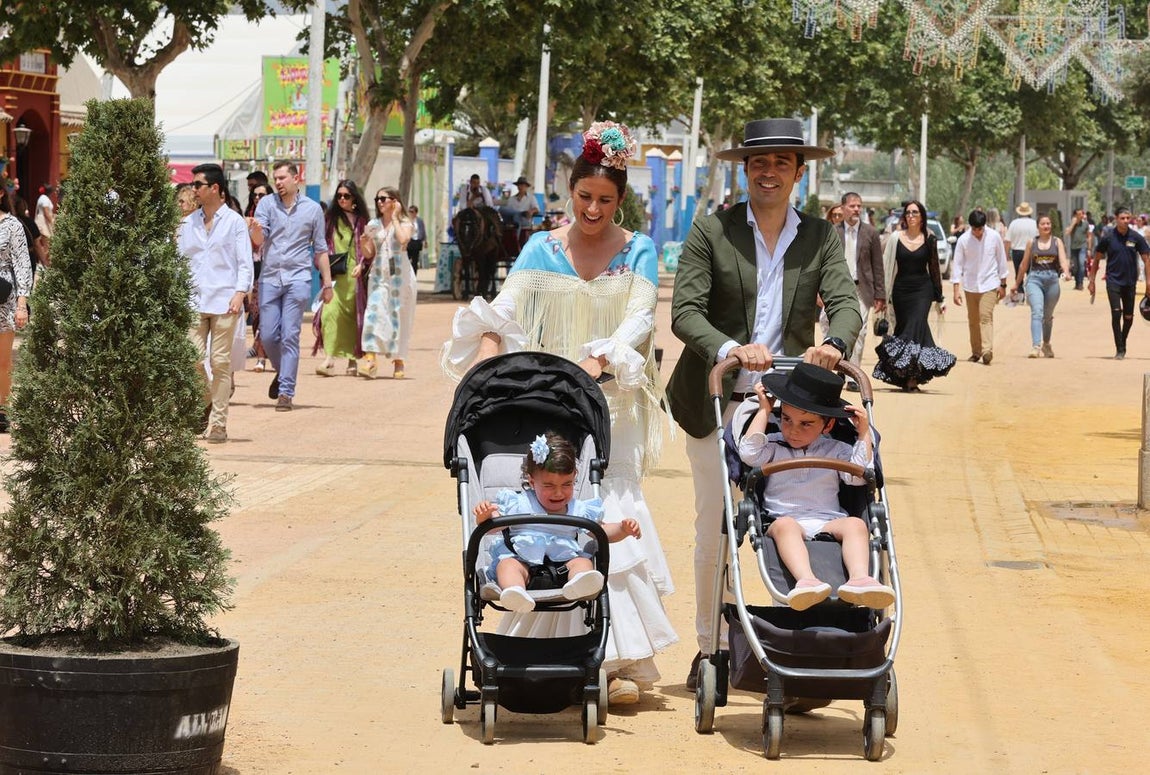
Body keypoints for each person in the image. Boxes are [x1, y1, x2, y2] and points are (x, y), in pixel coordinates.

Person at [443, 120, 677, 706]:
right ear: (569, 192)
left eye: (605, 199)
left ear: (621, 200)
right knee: (550, 512)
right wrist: (491, 340)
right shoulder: (541, 246)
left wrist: (604, 358)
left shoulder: (638, 250)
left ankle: (618, 661)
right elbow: (508, 301)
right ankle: (553, 655)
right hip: (556, 402)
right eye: (584, 197)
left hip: (614, 402)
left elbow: (641, 319)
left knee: (606, 505)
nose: (593, 208)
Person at [665, 117, 860, 690]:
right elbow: (685, 312)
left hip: (792, 405)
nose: (768, 171)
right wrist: (731, 348)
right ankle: (713, 648)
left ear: (799, 171)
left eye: (781, 162)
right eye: (758, 162)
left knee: (799, 518)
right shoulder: (711, 230)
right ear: (744, 169)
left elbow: (846, 303)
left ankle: (807, 639)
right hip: (716, 396)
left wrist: (833, 343)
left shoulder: (821, 236)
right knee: (718, 524)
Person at [737, 364, 893, 610]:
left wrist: (863, 431)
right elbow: (748, 454)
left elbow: (858, 476)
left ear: (828, 426)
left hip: (828, 519)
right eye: (786, 419)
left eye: (806, 424)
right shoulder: (774, 447)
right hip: (784, 518)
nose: (792, 430)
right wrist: (765, 410)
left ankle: (860, 578)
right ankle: (807, 580)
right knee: (786, 527)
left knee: (856, 524)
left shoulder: (837, 450)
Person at [473, 432, 642, 612]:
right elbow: (492, 527)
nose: (559, 493)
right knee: (507, 565)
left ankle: (580, 582)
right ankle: (515, 593)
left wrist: (622, 529)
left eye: (567, 485)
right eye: (549, 486)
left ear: (575, 478)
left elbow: (601, 531)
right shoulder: (519, 503)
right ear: (531, 481)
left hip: (563, 569)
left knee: (583, 563)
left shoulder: (578, 509)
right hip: (523, 564)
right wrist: (484, 517)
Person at [176, 163, 254, 443]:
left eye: (198, 185)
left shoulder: (234, 222)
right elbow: (178, 263)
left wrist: (240, 293)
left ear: (215, 189)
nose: (193, 190)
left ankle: (218, 423)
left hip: (225, 302)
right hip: (193, 301)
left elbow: (245, 262)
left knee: (220, 363)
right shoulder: (186, 224)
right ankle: (208, 398)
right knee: (192, 359)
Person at [248, 161, 334, 411]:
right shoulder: (266, 204)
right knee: (268, 335)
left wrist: (327, 283)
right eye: (276, 178)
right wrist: (254, 230)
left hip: (298, 278)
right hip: (270, 278)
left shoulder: (312, 209)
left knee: (289, 335)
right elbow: (259, 240)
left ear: (296, 179)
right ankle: (281, 370)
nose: (278, 182)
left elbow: (320, 249)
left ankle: (286, 391)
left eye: (283, 177)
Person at [873, 199, 955, 391]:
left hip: (922, 291)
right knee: (903, 330)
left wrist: (939, 296)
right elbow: (886, 266)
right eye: (908, 213)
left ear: (922, 217)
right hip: (901, 291)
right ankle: (904, 373)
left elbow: (934, 268)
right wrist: (883, 295)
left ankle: (912, 377)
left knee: (915, 326)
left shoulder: (930, 238)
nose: (911, 216)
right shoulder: (895, 238)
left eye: (915, 213)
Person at [314, 180, 375, 377]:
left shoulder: (363, 221)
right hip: (334, 275)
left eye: (346, 196)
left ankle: (352, 359)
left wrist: (362, 264)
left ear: (354, 198)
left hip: (356, 277)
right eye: (339, 195)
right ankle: (329, 359)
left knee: (353, 318)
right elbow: (321, 246)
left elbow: (369, 248)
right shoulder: (329, 220)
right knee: (329, 314)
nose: (342, 199)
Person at [361, 186, 414, 379]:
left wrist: (394, 218)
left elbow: (403, 240)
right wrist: (364, 243)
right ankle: (370, 359)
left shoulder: (405, 222)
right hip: (378, 275)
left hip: (401, 277)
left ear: (395, 201)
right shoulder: (373, 223)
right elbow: (369, 253)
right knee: (373, 313)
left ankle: (398, 360)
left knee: (398, 317)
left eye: (384, 199)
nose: (379, 202)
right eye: (377, 199)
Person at [1089, 206, 1150, 359]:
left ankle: (1123, 340)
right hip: (1113, 281)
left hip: (1130, 282)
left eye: (1127, 218)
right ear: (1116, 218)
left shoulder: (1136, 237)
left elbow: (1146, 259)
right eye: (1122, 218)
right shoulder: (1108, 238)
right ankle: (1120, 348)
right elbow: (1096, 259)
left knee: (1128, 317)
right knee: (1116, 313)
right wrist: (1092, 281)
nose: (1125, 221)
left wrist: (1149, 282)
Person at [836, 191, 886, 375]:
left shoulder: (871, 233)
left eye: (859, 206)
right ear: (842, 208)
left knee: (860, 332)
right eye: (852, 206)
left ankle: (852, 374)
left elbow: (878, 265)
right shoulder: (833, 231)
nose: (856, 209)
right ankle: (841, 365)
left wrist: (880, 294)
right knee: (836, 330)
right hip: (837, 289)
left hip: (862, 290)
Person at [952, 209, 1010, 365]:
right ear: (971, 227)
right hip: (970, 285)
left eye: (980, 229)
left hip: (990, 284)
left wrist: (1003, 284)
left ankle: (986, 351)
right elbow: (957, 265)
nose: (978, 232)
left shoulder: (994, 237)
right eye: (975, 229)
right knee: (973, 320)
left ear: (984, 226)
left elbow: (1001, 261)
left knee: (985, 317)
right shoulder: (963, 240)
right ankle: (976, 351)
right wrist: (956, 290)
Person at [1012, 213, 1070, 359]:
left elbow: (1063, 260)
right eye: (1043, 224)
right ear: (1037, 227)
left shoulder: (1057, 242)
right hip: (1034, 280)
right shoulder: (1031, 243)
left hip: (1052, 280)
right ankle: (1036, 346)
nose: (1046, 226)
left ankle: (1046, 343)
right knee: (1037, 312)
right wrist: (1017, 284)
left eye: (1048, 223)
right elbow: (1024, 265)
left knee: (1048, 316)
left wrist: (1067, 272)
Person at [0, 188, 33, 433]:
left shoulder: (12, 225)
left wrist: (22, 305)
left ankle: (2, 410)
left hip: (4, 299)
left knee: (2, 361)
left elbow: (22, 265)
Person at [247, 183, 272, 373]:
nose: (257, 198)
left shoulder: (274, 215)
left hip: (269, 270)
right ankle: (259, 348)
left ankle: (262, 357)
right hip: (251, 270)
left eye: (261, 195)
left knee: (266, 316)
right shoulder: (248, 216)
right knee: (255, 315)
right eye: (255, 195)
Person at [1004, 201, 1038, 287]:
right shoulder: (1034, 223)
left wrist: (1006, 255)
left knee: (1019, 275)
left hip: (1017, 252)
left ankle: (1020, 293)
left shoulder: (1014, 223)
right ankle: (1031, 291)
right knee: (1031, 274)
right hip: (1031, 251)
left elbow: (1008, 240)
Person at [1064, 208, 1091, 291]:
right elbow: (1067, 233)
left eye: (1082, 214)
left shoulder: (1085, 224)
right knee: (1075, 267)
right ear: (1075, 215)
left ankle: (1080, 284)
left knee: (1082, 264)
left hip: (1082, 246)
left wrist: (1089, 249)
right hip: (1074, 248)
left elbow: (1089, 236)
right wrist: (1073, 224)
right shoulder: (1071, 223)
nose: (1081, 216)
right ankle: (1077, 283)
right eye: (1079, 214)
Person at [34, 185, 55, 254]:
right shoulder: (44, 198)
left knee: (45, 244)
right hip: (43, 222)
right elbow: (46, 212)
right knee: (46, 244)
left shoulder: (42, 197)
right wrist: (52, 222)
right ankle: (45, 262)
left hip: (42, 221)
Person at [406, 205, 426, 274]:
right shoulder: (406, 220)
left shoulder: (419, 221)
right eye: (409, 211)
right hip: (409, 242)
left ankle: (414, 275)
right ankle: (406, 273)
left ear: (415, 212)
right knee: (406, 259)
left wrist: (424, 241)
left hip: (416, 242)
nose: (410, 213)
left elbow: (423, 230)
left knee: (415, 261)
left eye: (412, 211)